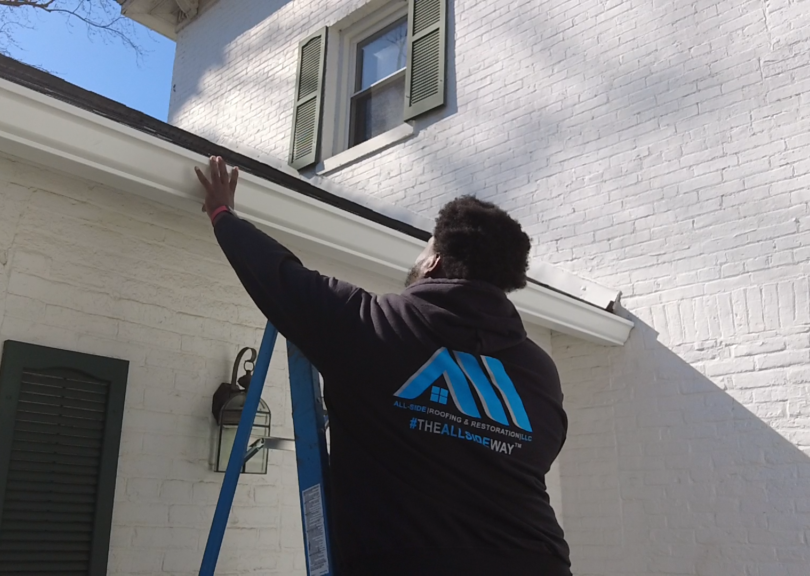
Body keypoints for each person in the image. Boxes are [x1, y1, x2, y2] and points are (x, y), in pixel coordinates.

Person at [196, 156, 571, 576]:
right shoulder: (540, 371)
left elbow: (280, 277)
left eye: (425, 246)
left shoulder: (373, 326)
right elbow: (541, 450)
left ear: (435, 262)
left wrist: (222, 214)